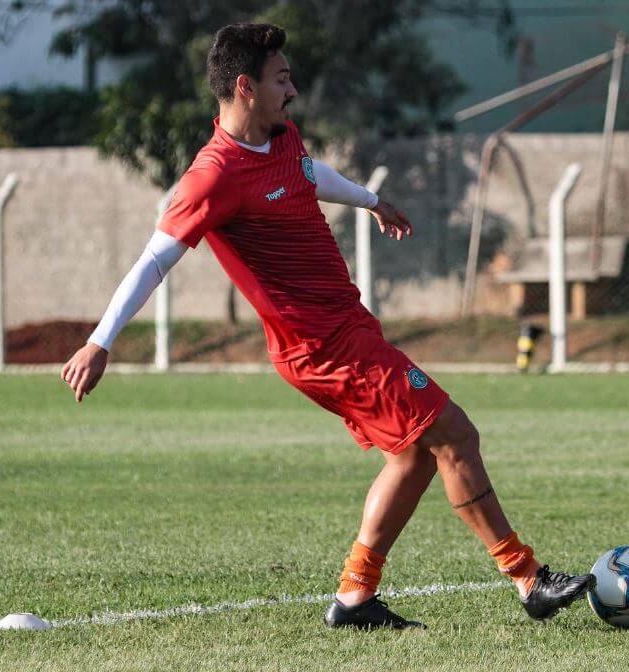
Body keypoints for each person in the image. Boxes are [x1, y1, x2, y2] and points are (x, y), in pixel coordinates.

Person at [61, 22, 595, 630]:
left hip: (351, 331)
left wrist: (370, 200)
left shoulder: (281, 135)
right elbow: (154, 259)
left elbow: (309, 176)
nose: (292, 90)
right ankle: (528, 580)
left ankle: (355, 597)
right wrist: (100, 341)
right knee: (455, 434)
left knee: (414, 457)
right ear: (245, 87)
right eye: (282, 79)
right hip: (321, 351)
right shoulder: (213, 176)